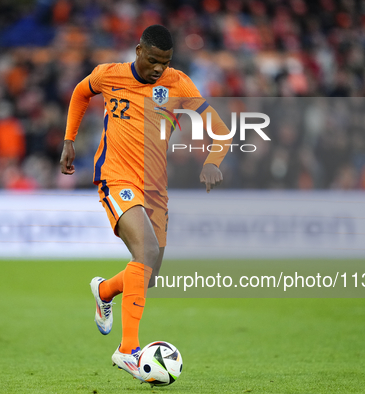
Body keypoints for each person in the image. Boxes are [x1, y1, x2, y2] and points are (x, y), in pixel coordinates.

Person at [60, 25, 230, 382]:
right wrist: (69, 139)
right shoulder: (110, 75)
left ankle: (104, 290)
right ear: (139, 50)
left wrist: (213, 161)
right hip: (116, 177)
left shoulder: (178, 83)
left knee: (149, 274)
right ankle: (128, 351)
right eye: (153, 60)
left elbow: (220, 129)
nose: (158, 69)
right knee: (147, 254)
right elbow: (79, 93)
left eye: (164, 63)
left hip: (154, 188)